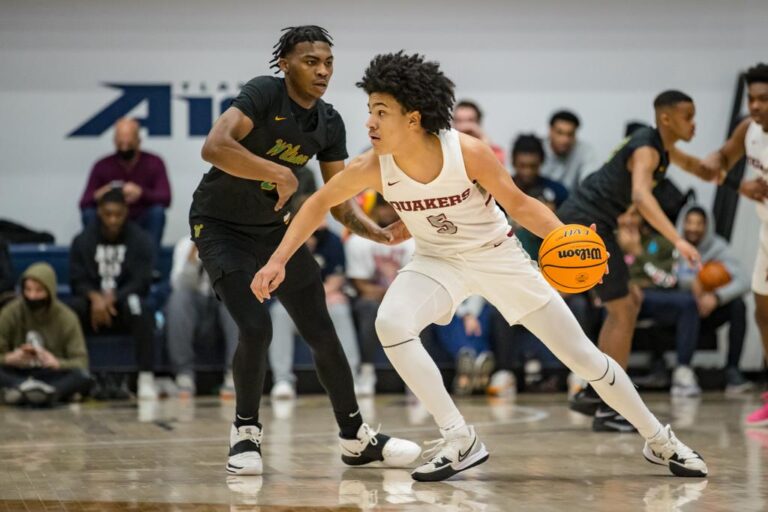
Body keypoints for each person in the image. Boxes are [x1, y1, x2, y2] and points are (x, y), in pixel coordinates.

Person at [252, 51, 707, 481]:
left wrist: (568, 241)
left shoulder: (466, 151)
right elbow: (318, 203)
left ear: (413, 117)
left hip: (497, 256)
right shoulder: (375, 165)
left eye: (380, 111)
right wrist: (278, 260)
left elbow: (521, 204)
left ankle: (659, 439)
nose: (369, 121)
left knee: (584, 358)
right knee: (391, 323)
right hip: (436, 260)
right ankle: (459, 437)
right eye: (369, 109)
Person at [188, 26, 420, 475]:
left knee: (321, 329)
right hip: (220, 229)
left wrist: (378, 232)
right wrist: (280, 172)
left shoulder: (329, 122)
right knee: (255, 328)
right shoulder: (262, 94)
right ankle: (245, 434)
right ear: (285, 64)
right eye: (311, 61)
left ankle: (355, 437)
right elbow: (214, 147)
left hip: (277, 233)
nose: (323, 70)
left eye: (328, 62)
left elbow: (338, 198)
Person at [558, 90, 717, 432]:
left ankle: (595, 391)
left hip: (594, 223)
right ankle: (609, 405)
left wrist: (732, 173)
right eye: (688, 116)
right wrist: (678, 240)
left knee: (628, 302)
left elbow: (702, 169)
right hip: (589, 223)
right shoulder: (646, 147)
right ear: (666, 118)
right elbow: (641, 196)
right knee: (623, 308)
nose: (694, 124)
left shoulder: (661, 148)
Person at [695, 63, 768, 425]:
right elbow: (722, 159)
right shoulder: (748, 129)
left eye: (763, 99)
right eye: (752, 98)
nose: (755, 106)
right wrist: (719, 166)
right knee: (762, 311)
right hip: (766, 233)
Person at [269, 196, 361, 400]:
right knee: (279, 313)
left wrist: (320, 296)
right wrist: (303, 245)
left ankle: (352, 376)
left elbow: (337, 277)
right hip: (292, 297)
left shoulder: (333, 240)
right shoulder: (283, 239)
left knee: (340, 308)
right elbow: (279, 278)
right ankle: (282, 380)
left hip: (326, 296)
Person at [69, 189, 157, 399]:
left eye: (118, 214)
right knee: (70, 310)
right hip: (92, 305)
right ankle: (74, 376)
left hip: (123, 303)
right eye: (108, 214)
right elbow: (77, 280)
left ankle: (146, 377)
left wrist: (113, 297)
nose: (113, 220)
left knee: (140, 308)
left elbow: (141, 281)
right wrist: (96, 298)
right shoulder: (83, 240)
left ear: (126, 212)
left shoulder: (140, 239)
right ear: (99, 212)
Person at [618, 207, 701, 397]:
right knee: (609, 306)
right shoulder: (609, 240)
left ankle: (683, 372)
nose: (629, 220)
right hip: (621, 295)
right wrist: (630, 285)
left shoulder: (660, 243)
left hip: (653, 297)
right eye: (625, 214)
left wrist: (638, 252)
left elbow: (667, 280)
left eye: (635, 214)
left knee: (688, 303)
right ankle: (604, 375)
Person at [674, 205, 752, 394]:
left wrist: (716, 297)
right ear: (682, 223)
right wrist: (696, 282)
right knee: (677, 301)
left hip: (707, 310)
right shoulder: (674, 245)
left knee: (738, 305)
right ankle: (674, 369)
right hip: (681, 309)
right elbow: (667, 276)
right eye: (690, 222)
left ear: (707, 226)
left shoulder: (718, 247)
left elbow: (744, 280)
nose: (693, 227)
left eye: (699, 223)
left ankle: (733, 371)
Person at [346, 195, 416, 396]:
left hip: (405, 295)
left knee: (418, 310)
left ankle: (413, 377)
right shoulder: (358, 240)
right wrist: (390, 294)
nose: (387, 211)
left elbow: (415, 281)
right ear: (373, 209)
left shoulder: (413, 239)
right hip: (374, 296)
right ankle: (367, 371)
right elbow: (360, 284)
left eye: (390, 206)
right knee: (368, 308)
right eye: (382, 207)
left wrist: (397, 296)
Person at [0, 263, 91, 406]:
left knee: (83, 378)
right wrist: (9, 358)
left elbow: (82, 362)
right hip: (18, 373)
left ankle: (40, 393)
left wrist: (56, 362)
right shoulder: (10, 313)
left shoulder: (67, 317)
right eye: (28, 290)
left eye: (39, 291)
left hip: (50, 375)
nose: (32, 296)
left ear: (50, 291)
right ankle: (29, 390)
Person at [79, 118, 172, 252]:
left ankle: (150, 267)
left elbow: (166, 198)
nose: (125, 147)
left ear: (138, 141)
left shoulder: (154, 162)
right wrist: (101, 195)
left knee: (157, 213)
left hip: (140, 221)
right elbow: (83, 203)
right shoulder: (102, 165)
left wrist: (141, 193)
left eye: (129, 143)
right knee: (89, 214)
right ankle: (94, 263)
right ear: (114, 142)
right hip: (110, 222)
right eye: (120, 143)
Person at [166, 236, 238, 398]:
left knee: (236, 298)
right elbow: (178, 285)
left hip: (223, 305)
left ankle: (235, 373)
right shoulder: (185, 244)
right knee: (178, 299)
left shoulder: (237, 242)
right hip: (197, 309)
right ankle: (184, 375)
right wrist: (193, 258)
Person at [540, 110, 597, 191]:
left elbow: (589, 181)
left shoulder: (585, 151)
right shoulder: (537, 148)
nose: (565, 140)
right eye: (560, 133)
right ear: (550, 131)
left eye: (570, 134)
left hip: (572, 201)